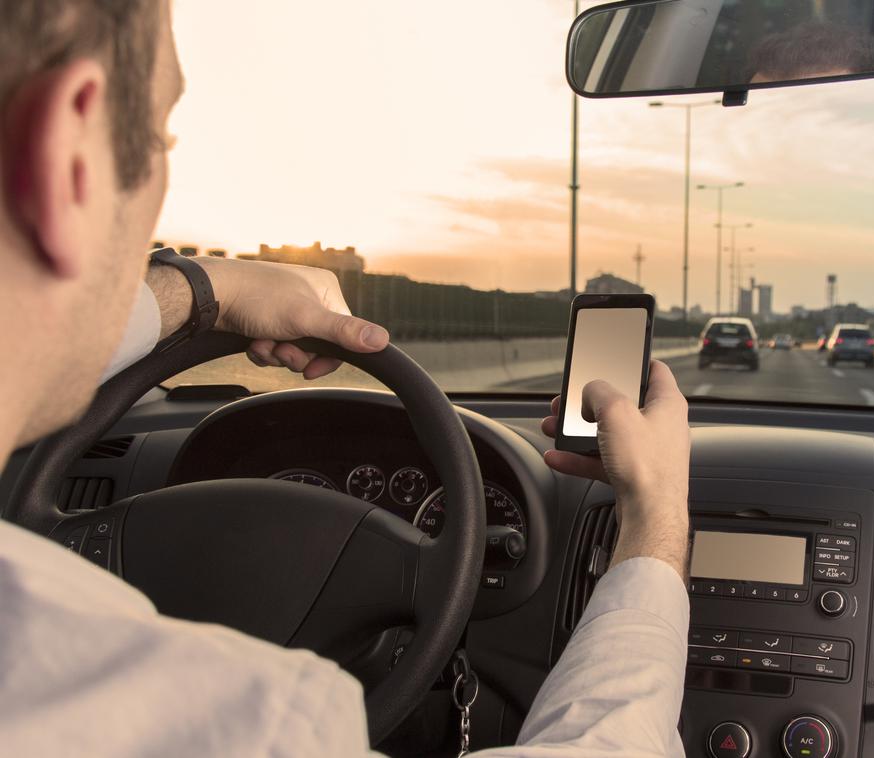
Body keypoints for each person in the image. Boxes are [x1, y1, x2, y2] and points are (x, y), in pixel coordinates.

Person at [0, 1, 692, 756]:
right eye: (162, 138)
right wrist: (655, 517)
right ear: (68, 154)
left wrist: (205, 289)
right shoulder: (246, 718)